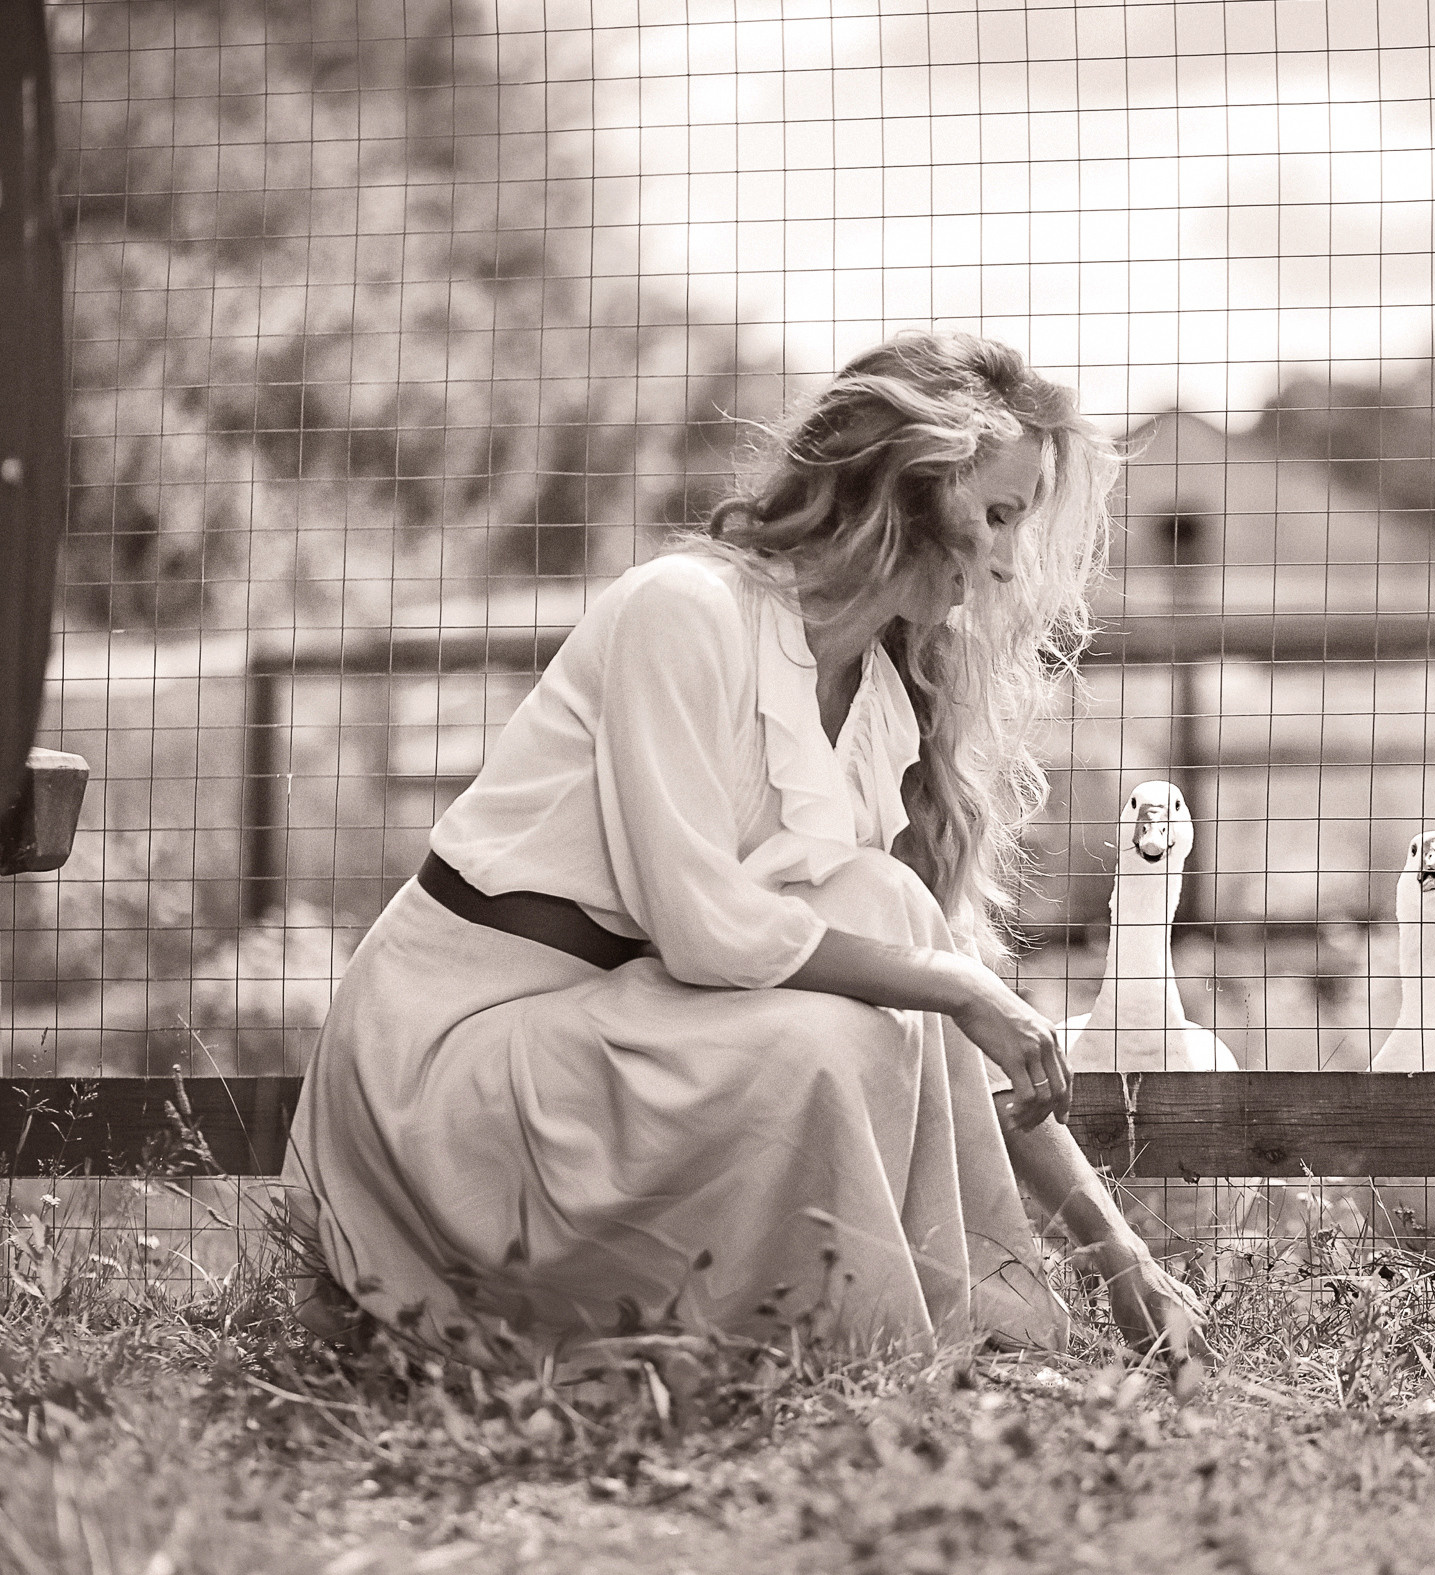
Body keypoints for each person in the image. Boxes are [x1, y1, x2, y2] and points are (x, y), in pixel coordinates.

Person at [283, 331, 1208, 1367]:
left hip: (610, 1042)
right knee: (828, 1038)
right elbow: (702, 928)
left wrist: (1113, 1243)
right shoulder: (685, 611)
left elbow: (944, 1021)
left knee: (888, 914)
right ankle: (866, 1356)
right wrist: (953, 984)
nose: (1004, 561)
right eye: (995, 515)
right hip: (453, 1070)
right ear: (903, 489)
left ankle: (958, 1328)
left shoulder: (878, 709)